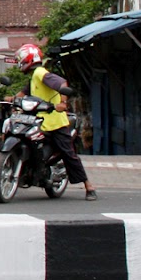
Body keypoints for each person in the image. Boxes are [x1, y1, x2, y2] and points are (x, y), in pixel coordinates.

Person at [16, 42, 97, 200]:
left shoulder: (40, 73)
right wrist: (10, 100)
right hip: (38, 121)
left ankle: (89, 186)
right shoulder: (34, 78)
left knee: (68, 154)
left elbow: (62, 83)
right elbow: (22, 93)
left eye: (20, 59)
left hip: (55, 122)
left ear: (28, 59)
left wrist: (63, 103)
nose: (19, 62)